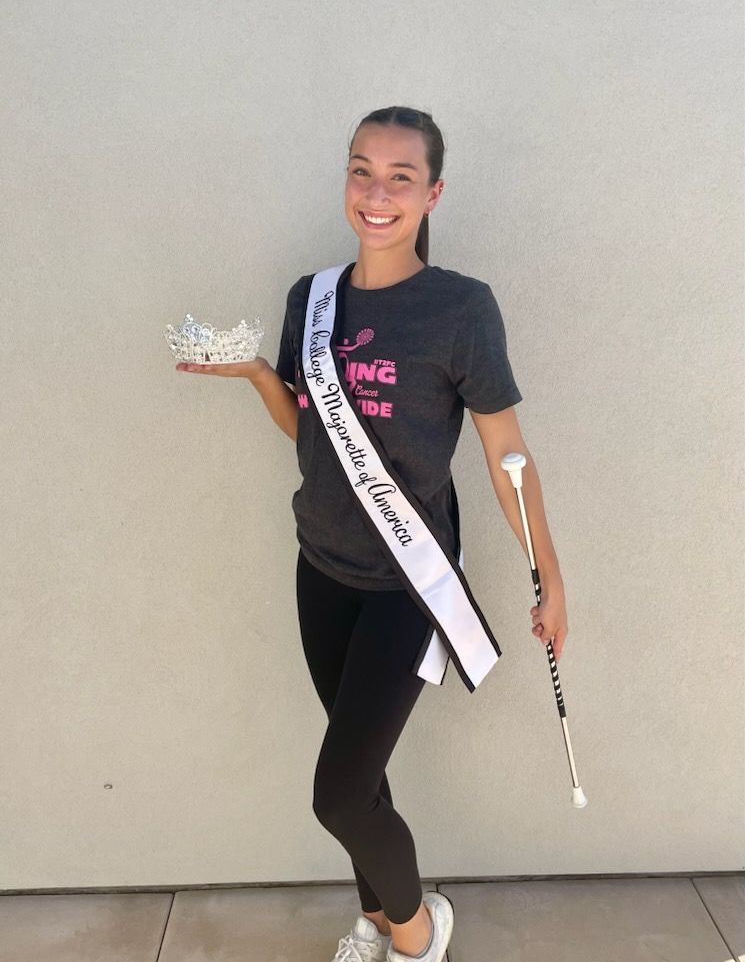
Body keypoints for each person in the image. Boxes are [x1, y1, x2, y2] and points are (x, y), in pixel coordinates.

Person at [176, 105, 569, 962]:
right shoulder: (310, 300)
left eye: (399, 177)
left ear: (431, 193)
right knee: (365, 776)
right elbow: (310, 432)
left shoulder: (461, 309)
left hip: (405, 580)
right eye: (361, 170)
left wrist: (551, 576)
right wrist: (251, 371)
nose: (376, 192)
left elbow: (507, 452)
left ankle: (419, 933)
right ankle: (378, 916)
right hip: (319, 568)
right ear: (345, 181)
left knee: (340, 795)